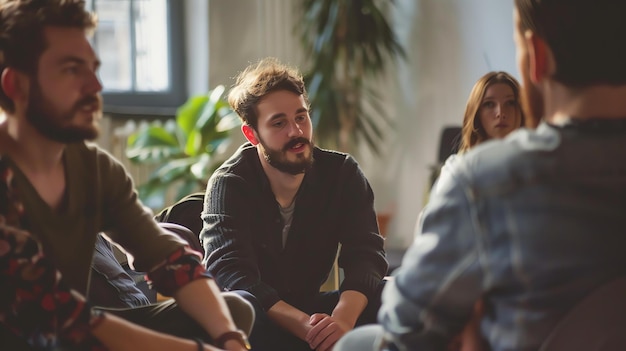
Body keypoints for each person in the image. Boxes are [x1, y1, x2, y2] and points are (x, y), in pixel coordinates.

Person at [336, 0, 626, 350]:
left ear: (537, 55)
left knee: (357, 344)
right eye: (489, 105)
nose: (500, 113)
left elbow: (407, 331)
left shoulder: (482, 182)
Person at [0, 1, 253, 350]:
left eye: (93, 69)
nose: (94, 86)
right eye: (72, 70)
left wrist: (230, 339)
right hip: (29, 332)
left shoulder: (95, 169)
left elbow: (169, 258)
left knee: (233, 312)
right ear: (17, 85)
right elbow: (53, 313)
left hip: (79, 327)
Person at [201, 57, 388, 351]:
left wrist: (342, 321)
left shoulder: (342, 174)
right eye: (279, 123)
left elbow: (366, 254)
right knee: (240, 305)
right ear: (252, 134)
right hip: (261, 320)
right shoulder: (229, 183)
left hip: (317, 313)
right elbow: (231, 273)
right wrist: (308, 328)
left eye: (301, 117)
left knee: (393, 293)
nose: (296, 132)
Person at [458, 71, 525, 153]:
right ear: (477, 113)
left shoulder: (537, 159)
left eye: (510, 103)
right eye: (489, 104)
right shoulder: (460, 163)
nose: (500, 113)